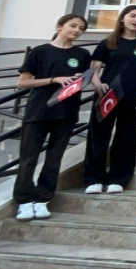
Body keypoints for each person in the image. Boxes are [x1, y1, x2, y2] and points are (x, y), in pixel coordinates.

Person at [13, 14, 92, 221]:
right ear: (59, 26)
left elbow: (85, 81)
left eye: (81, 28)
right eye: (73, 25)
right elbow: (23, 82)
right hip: (38, 111)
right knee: (29, 157)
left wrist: (78, 81)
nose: (77, 30)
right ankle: (24, 200)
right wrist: (54, 80)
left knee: (54, 159)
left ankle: (43, 200)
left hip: (66, 113)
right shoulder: (40, 52)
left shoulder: (82, 54)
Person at [85, 5, 136, 191]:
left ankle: (119, 179)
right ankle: (94, 179)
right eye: (132, 15)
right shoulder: (108, 42)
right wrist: (97, 84)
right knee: (98, 137)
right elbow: (93, 70)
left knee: (127, 138)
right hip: (107, 96)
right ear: (123, 18)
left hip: (133, 97)